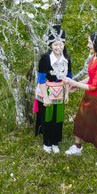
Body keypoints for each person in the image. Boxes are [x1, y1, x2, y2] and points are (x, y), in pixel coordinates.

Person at [62, 31, 97, 168]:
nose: (88, 45)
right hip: (89, 96)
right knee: (80, 120)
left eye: (89, 43)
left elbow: (93, 86)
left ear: (96, 44)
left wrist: (73, 82)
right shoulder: (94, 57)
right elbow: (91, 78)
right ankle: (77, 147)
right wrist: (77, 85)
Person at [34, 25, 72, 153]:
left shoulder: (66, 59)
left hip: (60, 91)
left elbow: (68, 78)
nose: (58, 47)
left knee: (58, 117)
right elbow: (41, 79)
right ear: (50, 45)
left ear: (64, 44)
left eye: (61, 44)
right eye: (55, 45)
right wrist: (45, 96)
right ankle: (47, 142)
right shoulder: (45, 59)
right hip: (47, 90)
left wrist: (67, 93)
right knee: (47, 117)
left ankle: (55, 142)